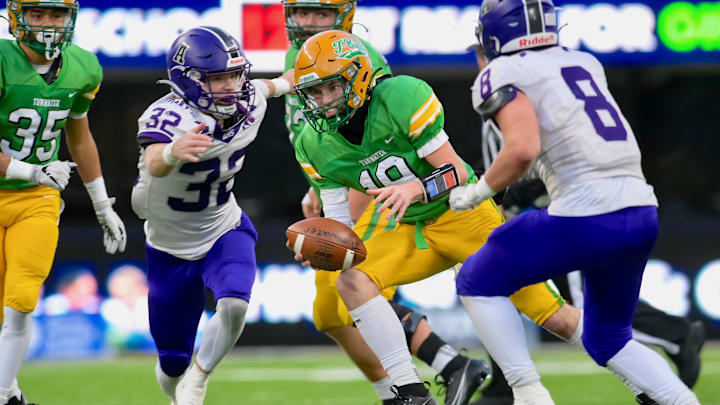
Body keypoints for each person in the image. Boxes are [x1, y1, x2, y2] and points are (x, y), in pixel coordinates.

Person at [289, 29, 589, 404]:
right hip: (406, 225)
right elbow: (340, 227)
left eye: (331, 88)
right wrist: (325, 251)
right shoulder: (312, 142)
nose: (322, 101)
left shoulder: (401, 97)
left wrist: (414, 188)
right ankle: (410, 392)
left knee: (555, 317)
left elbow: (457, 173)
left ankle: (641, 375)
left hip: (462, 213)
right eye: (313, 93)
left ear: (358, 76)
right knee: (350, 281)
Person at [451, 1, 700, 404]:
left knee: (476, 279)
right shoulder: (583, 61)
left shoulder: (501, 70)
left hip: (586, 215)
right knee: (607, 339)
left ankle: (527, 393)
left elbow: (522, 150)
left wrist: (476, 192)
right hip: (640, 212)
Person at [282, 2, 492, 404]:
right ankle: (442, 368)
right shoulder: (299, 55)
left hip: (378, 185)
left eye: (319, 13)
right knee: (330, 312)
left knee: (350, 281)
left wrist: (262, 88)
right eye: (300, 12)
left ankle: (408, 389)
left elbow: (370, 143)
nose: (307, 22)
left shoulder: (357, 58)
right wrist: (319, 186)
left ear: (344, 16)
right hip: (334, 179)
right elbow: (324, 140)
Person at [130, 26, 293, 405]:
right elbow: (154, 161)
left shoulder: (249, 100)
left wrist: (302, 75)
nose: (230, 86)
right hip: (169, 247)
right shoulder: (168, 116)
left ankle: (201, 378)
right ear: (186, 81)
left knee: (235, 302)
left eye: (234, 75)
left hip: (223, 225)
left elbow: (277, 85)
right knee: (172, 363)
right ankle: (181, 389)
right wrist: (173, 151)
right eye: (217, 78)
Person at [0, 1, 126, 403]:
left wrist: (101, 203)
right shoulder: (2, 62)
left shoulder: (84, 67)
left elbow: (79, 136)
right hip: (21, 181)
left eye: (56, 14)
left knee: (22, 298)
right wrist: (30, 169)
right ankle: (12, 391)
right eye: (38, 14)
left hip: (37, 200)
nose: (48, 23)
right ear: (18, 17)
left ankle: (3, 394)